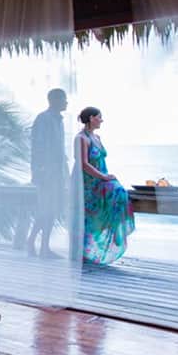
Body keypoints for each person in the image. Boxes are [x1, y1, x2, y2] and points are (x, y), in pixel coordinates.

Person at [71, 106, 134, 264]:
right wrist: (103, 177)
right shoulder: (81, 138)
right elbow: (83, 164)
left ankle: (116, 229)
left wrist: (105, 177)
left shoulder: (97, 137)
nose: (101, 120)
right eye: (99, 117)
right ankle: (87, 248)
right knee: (114, 192)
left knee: (120, 191)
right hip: (86, 181)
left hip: (100, 178)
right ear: (91, 118)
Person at [26, 88, 68, 258]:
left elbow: (59, 149)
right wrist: (40, 171)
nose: (66, 102)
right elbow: (39, 146)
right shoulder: (44, 119)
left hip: (56, 172)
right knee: (46, 209)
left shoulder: (58, 120)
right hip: (47, 173)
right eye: (64, 99)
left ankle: (43, 247)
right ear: (54, 100)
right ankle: (34, 243)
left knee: (50, 210)